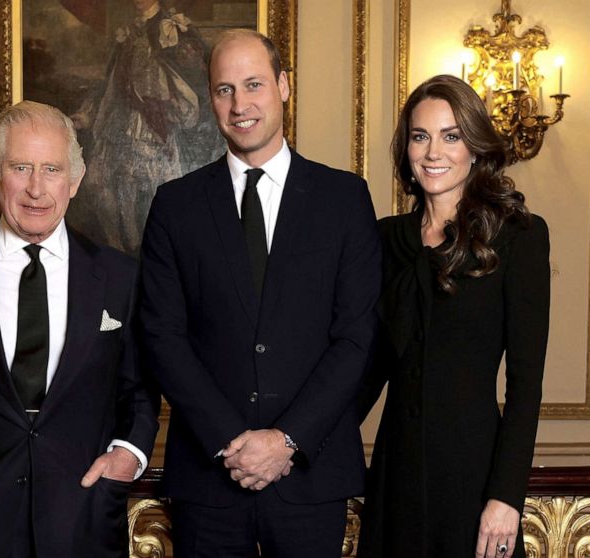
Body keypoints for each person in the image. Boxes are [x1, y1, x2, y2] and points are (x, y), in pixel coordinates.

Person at [137, 29, 382, 556]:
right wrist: (234, 444)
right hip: (209, 479)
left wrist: (286, 440)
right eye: (224, 89)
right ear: (210, 99)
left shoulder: (344, 199)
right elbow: (162, 336)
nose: (240, 104)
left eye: (253, 85)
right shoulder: (175, 206)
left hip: (311, 478)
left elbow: (357, 337)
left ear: (284, 86)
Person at [0, 100, 159, 557]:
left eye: (51, 169)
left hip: (82, 514)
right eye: (20, 167)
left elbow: (140, 389)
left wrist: (128, 454)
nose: (35, 188)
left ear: (75, 181)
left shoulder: (119, 276)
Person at [357, 74, 550, 558]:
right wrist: (299, 443)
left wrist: (506, 496)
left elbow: (526, 386)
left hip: (474, 478)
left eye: (451, 136)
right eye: (420, 137)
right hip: (395, 474)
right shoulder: (384, 240)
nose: (432, 152)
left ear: (475, 146)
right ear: (406, 148)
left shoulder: (519, 235)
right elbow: (367, 368)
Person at [68, 0, 224, 254]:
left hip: (154, 123)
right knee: (99, 181)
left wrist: (169, 98)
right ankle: (121, 252)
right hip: (120, 121)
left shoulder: (171, 28)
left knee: (152, 190)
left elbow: (196, 75)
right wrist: (88, 114)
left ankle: (149, 252)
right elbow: (111, 83)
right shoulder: (128, 33)